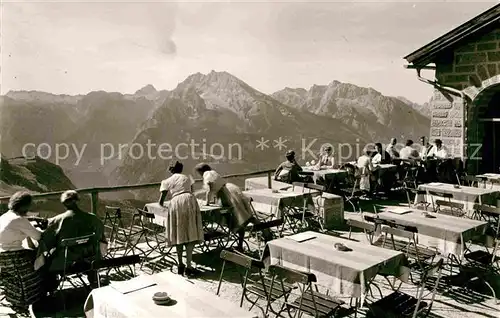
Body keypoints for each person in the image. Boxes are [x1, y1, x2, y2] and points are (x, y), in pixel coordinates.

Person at [38, 190, 107, 290]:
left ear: (63, 203)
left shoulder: (57, 220)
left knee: (44, 263)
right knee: (90, 252)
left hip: (65, 264)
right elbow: (101, 237)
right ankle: (94, 281)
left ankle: (50, 290)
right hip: (90, 260)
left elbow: (47, 242)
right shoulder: (93, 219)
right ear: (78, 201)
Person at [195, 163, 270, 251]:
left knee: (236, 218)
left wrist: (207, 203)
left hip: (226, 194)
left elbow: (210, 189)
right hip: (230, 189)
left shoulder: (206, 174)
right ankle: (265, 232)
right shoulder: (213, 172)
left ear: (201, 171)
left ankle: (242, 242)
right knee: (244, 216)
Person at [159, 161, 203, 277]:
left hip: (176, 202)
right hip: (189, 200)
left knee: (179, 234)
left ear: (171, 170)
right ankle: (188, 266)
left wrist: (163, 205)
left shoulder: (166, 181)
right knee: (190, 232)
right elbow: (192, 190)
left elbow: (161, 199)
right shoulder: (188, 178)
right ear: (181, 169)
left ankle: (180, 264)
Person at [0, 191, 44, 308]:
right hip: (14, 256)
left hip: (3, 257)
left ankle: (15, 297)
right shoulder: (18, 220)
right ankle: (36, 297)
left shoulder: (4, 217)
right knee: (43, 261)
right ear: (24, 206)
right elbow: (38, 236)